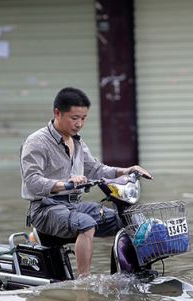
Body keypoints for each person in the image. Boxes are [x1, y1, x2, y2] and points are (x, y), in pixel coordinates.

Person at [20, 87, 152, 278]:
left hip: (74, 205)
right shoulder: (36, 142)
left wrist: (127, 170)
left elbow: (97, 169)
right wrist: (65, 183)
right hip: (45, 209)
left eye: (84, 118)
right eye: (74, 118)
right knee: (86, 224)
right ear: (57, 113)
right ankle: (84, 283)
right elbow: (32, 181)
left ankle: (130, 274)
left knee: (124, 220)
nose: (79, 123)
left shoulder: (78, 143)